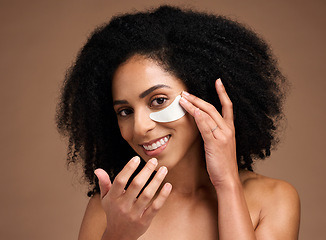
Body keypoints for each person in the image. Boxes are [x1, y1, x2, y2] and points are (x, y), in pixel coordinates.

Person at [56, 5, 300, 240]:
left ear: (203, 97)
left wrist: (227, 185)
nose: (140, 127)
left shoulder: (274, 198)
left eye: (158, 100)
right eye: (125, 111)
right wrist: (118, 236)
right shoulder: (113, 208)